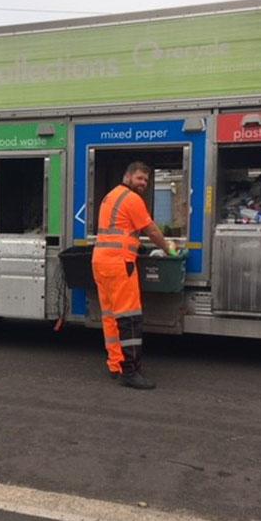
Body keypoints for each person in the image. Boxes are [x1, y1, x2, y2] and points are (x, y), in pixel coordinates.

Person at [92, 161, 178, 390]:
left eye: (146, 180)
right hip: (120, 264)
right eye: (140, 178)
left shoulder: (110, 196)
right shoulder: (132, 199)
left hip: (101, 261)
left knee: (110, 316)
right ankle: (130, 371)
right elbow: (150, 229)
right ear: (128, 176)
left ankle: (115, 364)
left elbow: (119, 229)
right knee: (130, 318)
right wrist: (169, 249)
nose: (143, 183)